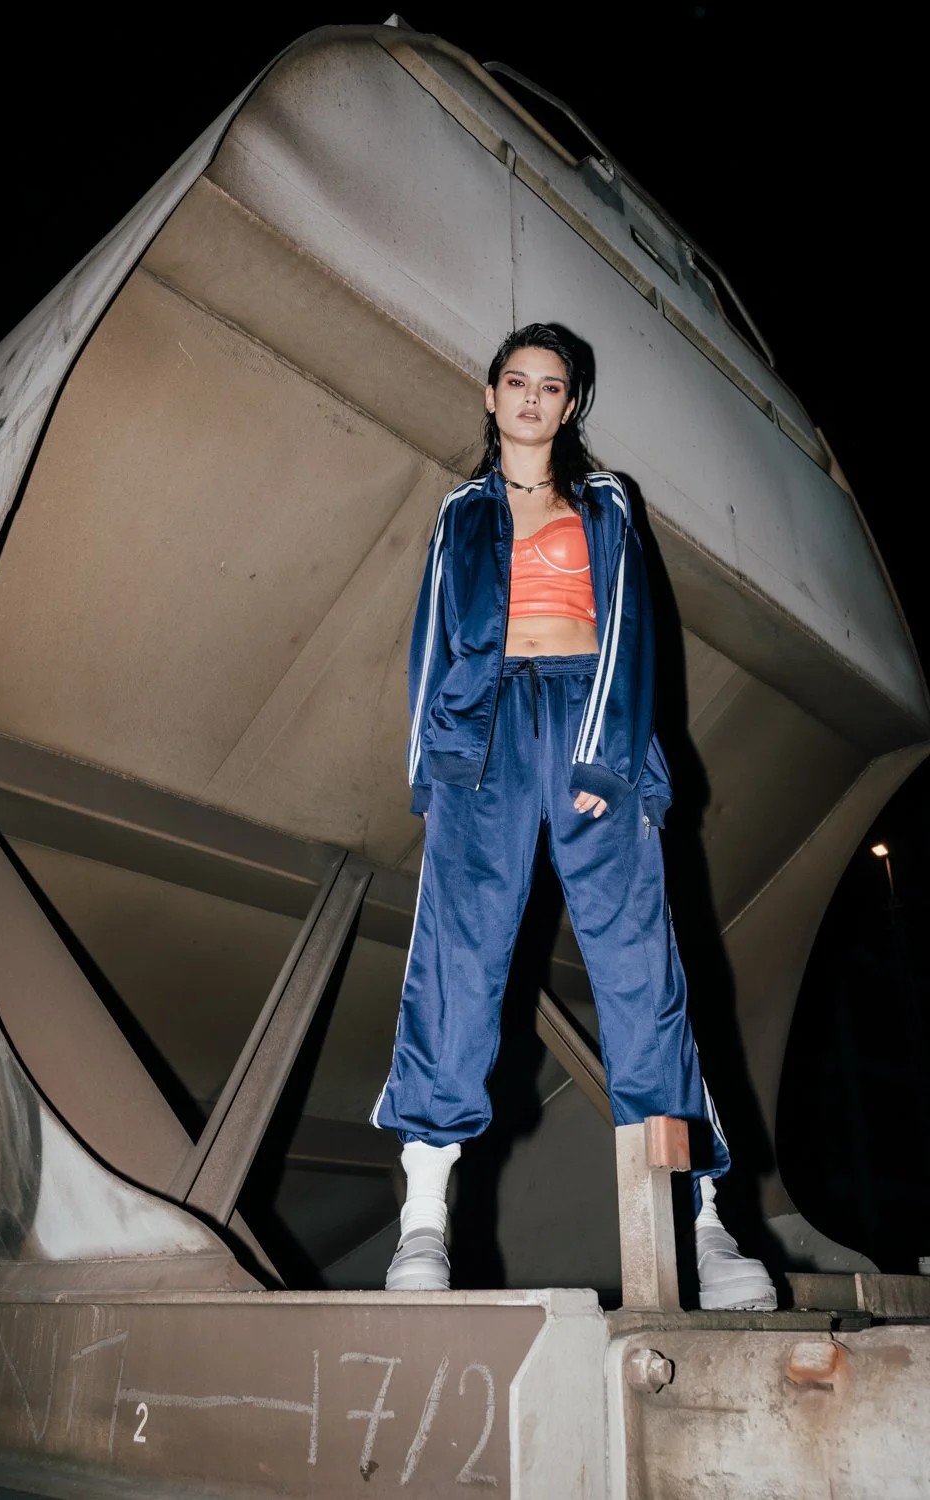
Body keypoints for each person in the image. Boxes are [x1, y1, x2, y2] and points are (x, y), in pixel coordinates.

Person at [370, 323, 775, 1311]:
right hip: (484, 738)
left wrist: (606, 755)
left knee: (641, 968)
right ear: (491, 395)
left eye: (551, 386)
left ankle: (703, 1223)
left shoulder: (604, 500)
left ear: (569, 405)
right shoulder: (460, 510)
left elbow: (630, 624)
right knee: (456, 959)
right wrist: (434, 773)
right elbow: (430, 643)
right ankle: (423, 1221)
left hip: (592, 720)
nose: (532, 398)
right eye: (517, 381)